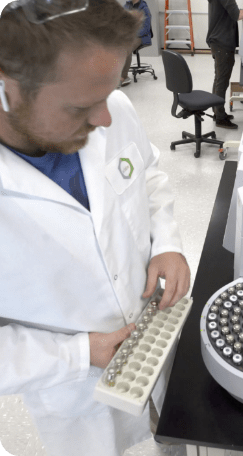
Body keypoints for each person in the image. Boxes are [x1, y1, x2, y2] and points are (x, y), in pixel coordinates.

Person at [0, 0, 191, 455]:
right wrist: (78, 354)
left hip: (155, 340)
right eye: (81, 106)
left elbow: (148, 174)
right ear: (9, 89)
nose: (106, 118)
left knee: (174, 436)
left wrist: (166, 243)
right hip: (77, 393)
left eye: (110, 93)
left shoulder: (113, 110)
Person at [206, 0, 243, 129]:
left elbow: (232, 10)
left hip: (218, 40)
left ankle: (217, 111)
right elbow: (237, 15)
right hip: (222, 42)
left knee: (219, 78)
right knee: (222, 80)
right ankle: (220, 117)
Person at [121, 0, 153, 87]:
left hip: (141, 36)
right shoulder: (126, 6)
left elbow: (146, 29)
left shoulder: (144, 8)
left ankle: (124, 77)